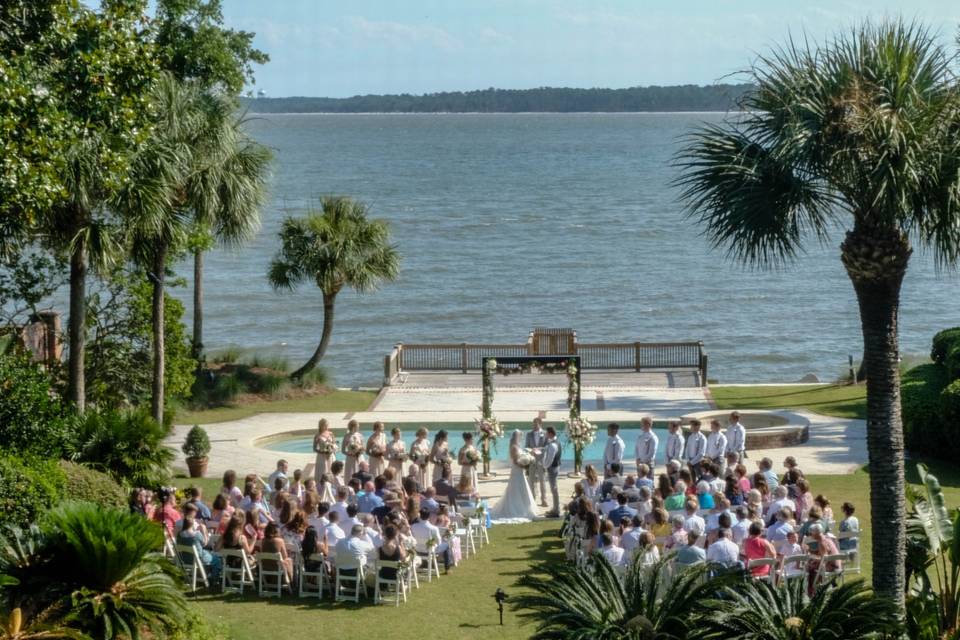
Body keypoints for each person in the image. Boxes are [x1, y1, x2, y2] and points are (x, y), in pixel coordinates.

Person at [488, 430, 539, 520]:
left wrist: (527, 459)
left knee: (522, 489)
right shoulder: (514, 447)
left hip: (520, 471)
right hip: (516, 470)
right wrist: (524, 465)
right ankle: (516, 509)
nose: (520, 438)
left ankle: (524, 508)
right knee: (516, 489)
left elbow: (521, 457)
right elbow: (515, 461)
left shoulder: (518, 447)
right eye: (519, 436)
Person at [805, 523, 840, 593]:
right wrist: (810, 550)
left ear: (815, 534)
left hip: (831, 567)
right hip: (837, 565)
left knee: (809, 567)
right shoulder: (827, 538)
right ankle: (822, 586)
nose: (811, 535)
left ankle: (812, 591)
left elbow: (824, 559)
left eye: (811, 533)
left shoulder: (821, 542)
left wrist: (813, 560)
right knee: (812, 564)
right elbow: (823, 553)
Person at [525, 417, 548, 506]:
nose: (534, 426)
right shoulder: (529, 434)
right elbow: (526, 446)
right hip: (531, 460)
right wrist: (530, 450)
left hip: (541, 461)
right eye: (533, 424)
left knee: (542, 481)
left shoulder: (545, 434)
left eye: (536, 424)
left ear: (540, 424)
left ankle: (544, 500)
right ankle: (532, 499)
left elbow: (546, 447)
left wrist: (539, 449)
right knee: (531, 481)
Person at [542, 426, 562, 517]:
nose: (546, 434)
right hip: (556, 467)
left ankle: (556, 510)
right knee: (554, 489)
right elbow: (547, 449)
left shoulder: (553, 445)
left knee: (554, 489)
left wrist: (543, 466)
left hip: (553, 468)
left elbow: (550, 459)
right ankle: (555, 508)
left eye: (547, 433)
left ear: (550, 433)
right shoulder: (555, 442)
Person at [312, 419, 337, 484]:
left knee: (331, 471)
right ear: (321, 426)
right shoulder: (317, 435)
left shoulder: (331, 434)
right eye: (325, 425)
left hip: (331, 456)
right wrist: (322, 452)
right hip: (322, 457)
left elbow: (334, 444)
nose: (326, 427)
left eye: (327, 425)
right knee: (323, 471)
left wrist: (332, 449)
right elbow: (314, 448)